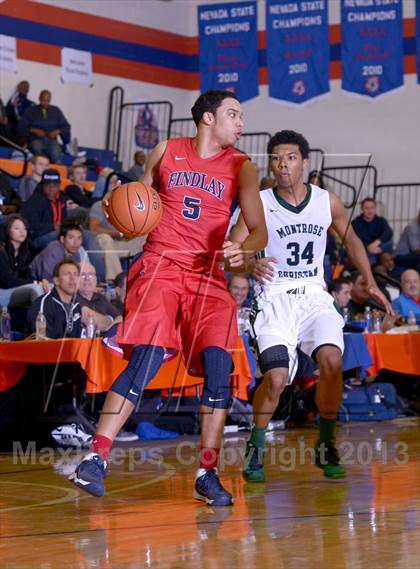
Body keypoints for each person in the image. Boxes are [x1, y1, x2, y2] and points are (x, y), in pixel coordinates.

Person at [70, 89, 267, 504]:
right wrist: (120, 213)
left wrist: (245, 250)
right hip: (161, 264)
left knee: (219, 369)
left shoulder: (243, 167)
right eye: (234, 114)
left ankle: (206, 473)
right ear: (207, 118)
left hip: (208, 274)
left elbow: (259, 229)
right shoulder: (165, 151)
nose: (241, 123)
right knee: (145, 358)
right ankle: (95, 458)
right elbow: (137, 211)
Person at [229, 130, 390, 482]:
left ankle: (326, 443)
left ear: (305, 162)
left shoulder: (326, 201)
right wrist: (247, 263)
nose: (282, 164)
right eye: (275, 158)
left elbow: (352, 240)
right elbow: (231, 253)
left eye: (289, 157)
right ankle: (256, 445)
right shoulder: (258, 203)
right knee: (275, 380)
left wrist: (370, 279)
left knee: (332, 362)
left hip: (315, 296)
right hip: (274, 298)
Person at [88, 198, 145, 281]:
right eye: (113, 184)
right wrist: (117, 234)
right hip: (102, 244)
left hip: (120, 244)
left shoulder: (126, 205)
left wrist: (131, 233)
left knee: (146, 235)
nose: (116, 186)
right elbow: (93, 229)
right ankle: (116, 280)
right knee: (105, 237)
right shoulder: (99, 205)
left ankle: (145, 275)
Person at [0, 214, 43, 308]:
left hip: (13, 290)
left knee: (49, 287)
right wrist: (35, 282)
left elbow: (27, 274)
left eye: (24, 228)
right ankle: (42, 321)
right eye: (17, 228)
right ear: (8, 230)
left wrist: (38, 282)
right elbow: (9, 281)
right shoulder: (1, 251)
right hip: (2, 291)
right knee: (35, 288)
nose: (22, 232)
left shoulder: (24, 251)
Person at [18, 90, 71, 163]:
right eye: (43, 100)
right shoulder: (30, 111)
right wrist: (34, 130)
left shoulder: (56, 110)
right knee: (38, 149)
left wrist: (58, 131)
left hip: (52, 140)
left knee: (56, 153)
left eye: (48, 101)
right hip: (36, 139)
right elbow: (21, 127)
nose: (45, 103)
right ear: (39, 98)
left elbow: (66, 126)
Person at [77, 262, 121, 332]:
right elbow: (92, 321)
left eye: (90, 274)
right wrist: (110, 319)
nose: (87, 278)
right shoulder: (73, 298)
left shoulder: (100, 297)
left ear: (96, 279)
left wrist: (107, 326)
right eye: (82, 275)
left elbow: (120, 318)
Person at [351, 198, 393, 265]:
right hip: (364, 249)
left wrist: (376, 243)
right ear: (362, 209)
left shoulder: (381, 220)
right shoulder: (356, 223)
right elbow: (356, 239)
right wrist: (368, 247)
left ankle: (374, 253)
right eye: (366, 208)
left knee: (389, 243)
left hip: (379, 247)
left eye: (372, 208)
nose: (369, 211)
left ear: (375, 209)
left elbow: (388, 233)